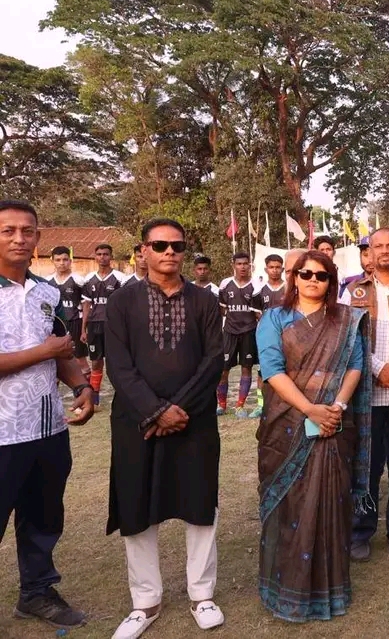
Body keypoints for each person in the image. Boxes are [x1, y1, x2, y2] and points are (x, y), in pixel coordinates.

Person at [105, 219, 226, 639]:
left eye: (177, 245)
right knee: (137, 505)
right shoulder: (121, 301)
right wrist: (155, 411)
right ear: (143, 250)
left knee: (200, 503)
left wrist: (177, 409)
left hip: (194, 421)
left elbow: (214, 360)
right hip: (137, 422)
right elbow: (119, 365)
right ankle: (145, 600)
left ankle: (202, 594)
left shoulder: (205, 301)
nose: (169, 252)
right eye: (159, 245)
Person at [255, 250, 371, 622]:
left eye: (321, 276)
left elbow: (355, 366)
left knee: (330, 503)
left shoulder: (346, 319)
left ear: (331, 281)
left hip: (333, 423)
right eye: (305, 274)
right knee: (289, 505)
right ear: (295, 278)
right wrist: (310, 409)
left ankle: (329, 593)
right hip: (286, 424)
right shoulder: (274, 318)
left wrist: (335, 406)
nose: (312, 281)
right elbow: (272, 370)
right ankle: (283, 592)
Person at [0, 199, 95, 630]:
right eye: (8, 231)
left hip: (46, 428)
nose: (19, 239)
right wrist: (44, 352)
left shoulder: (47, 292)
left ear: (38, 238)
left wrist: (81, 387)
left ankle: (36, 593)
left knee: (42, 518)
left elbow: (62, 352)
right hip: (2, 433)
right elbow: (49, 349)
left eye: (28, 231)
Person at [343, 228, 389, 562]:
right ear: (369, 252)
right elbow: (347, 340)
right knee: (365, 468)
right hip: (366, 397)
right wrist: (377, 368)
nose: (385, 250)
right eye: (378, 246)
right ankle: (361, 530)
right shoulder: (351, 292)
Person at [217, 252, 263, 417]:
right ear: (233, 265)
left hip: (249, 331)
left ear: (250, 265)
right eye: (239, 264)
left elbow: (258, 313)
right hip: (229, 332)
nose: (242, 267)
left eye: (245, 264)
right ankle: (221, 405)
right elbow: (222, 310)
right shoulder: (225, 284)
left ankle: (240, 406)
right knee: (223, 370)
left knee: (246, 368)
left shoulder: (256, 285)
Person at [81, 243, 129, 400]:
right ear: (95, 257)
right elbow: (86, 305)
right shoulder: (89, 279)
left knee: (115, 362)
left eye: (106, 254)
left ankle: (122, 395)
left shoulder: (120, 278)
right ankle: (94, 397)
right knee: (95, 362)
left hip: (113, 325)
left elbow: (125, 305)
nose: (102, 257)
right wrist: (83, 329)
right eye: (99, 254)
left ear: (111, 256)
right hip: (94, 325)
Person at [46, 246, 89, 377]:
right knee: (55, 359)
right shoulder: (47, 282)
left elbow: (86, 305)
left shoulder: (78, 280)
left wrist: (83, 330)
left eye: (65, 259)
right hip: (56, 324)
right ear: (52, 261)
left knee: (80, 359)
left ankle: (88, 388)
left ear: (70, 261)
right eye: (58, 260)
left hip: (75, 322)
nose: (62, 263)